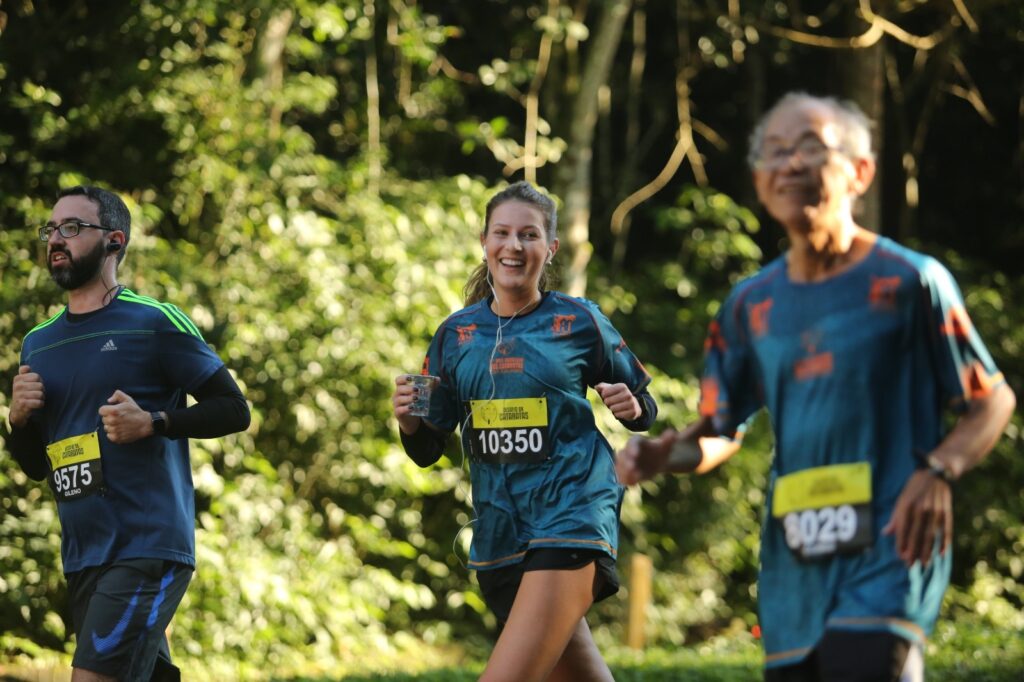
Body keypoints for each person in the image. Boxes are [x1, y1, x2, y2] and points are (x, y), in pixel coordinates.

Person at [616, 92, 1016, 681]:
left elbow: (991, 399)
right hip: (793, 568)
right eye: (775, 152)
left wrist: (940, 470)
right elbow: (719, 430)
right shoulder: (750, 306)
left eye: (810, 147)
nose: (792, 164)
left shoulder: (911, 282)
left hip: (889, 548)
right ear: (759, 181)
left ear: (861, 172)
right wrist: (663, 455)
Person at [391, 181, 657, 682]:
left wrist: (630, 406)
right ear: (485, 243)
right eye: (503, 234)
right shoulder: (455, 335)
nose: (514, 246)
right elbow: (428, 448)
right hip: (499, 535)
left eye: (529, 235)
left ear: (549, 248)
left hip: (572, 513)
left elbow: (644, 405)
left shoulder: (579, 320)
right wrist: (408, 422)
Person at [4, 186, 251, 682]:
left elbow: (234, 409)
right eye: (51, 229)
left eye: (72, 228)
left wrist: (155, 422)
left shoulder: (153, 321)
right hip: (83, 552)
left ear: (114, 240)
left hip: (147, 545)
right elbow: (37, 467)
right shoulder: (39, 343)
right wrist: (17, 422)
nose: (56, 239)